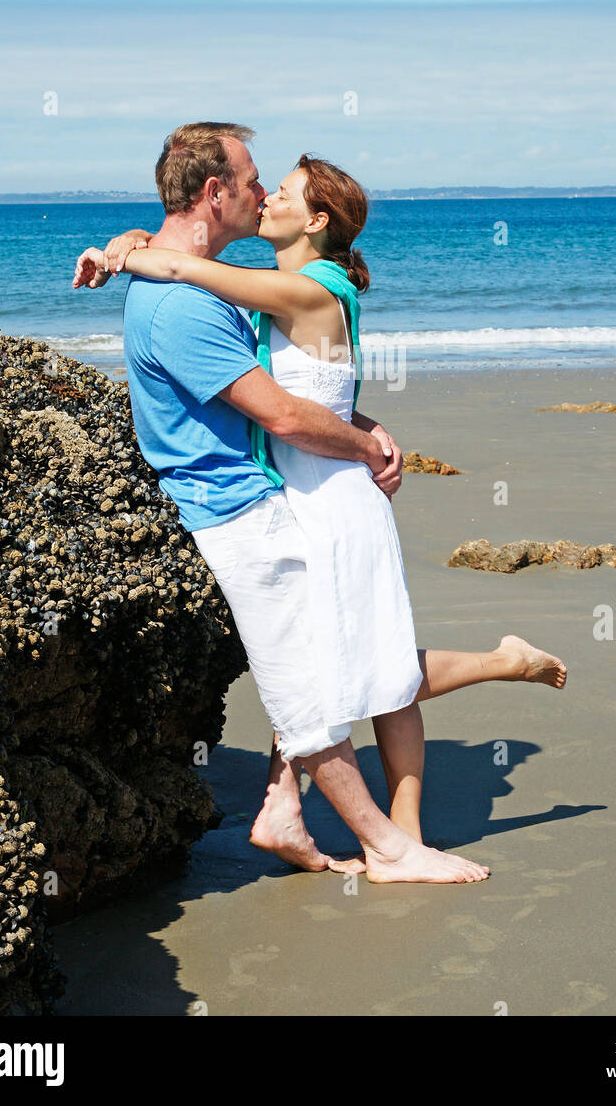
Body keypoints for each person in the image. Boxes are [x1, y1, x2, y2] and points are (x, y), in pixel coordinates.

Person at [75, 125, 567, 874]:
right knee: (335, 667)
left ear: (315, 223)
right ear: (216, 192)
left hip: (320, 490)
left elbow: (285, 386)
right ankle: (365, 828)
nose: (263, 190)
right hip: (276, 490)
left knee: (356, 666)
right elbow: (280, 406)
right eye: (254, 179)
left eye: (281, 188)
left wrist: (129, 251)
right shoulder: (199, 299)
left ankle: (383, 827)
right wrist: (128, 246)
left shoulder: (283, 288)